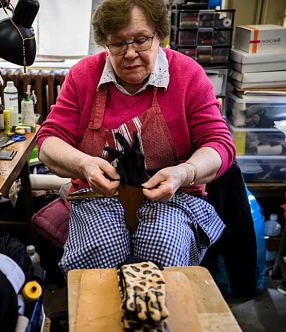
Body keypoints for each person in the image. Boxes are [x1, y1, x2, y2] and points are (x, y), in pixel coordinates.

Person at [36, 0, 235, 275]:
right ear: (105, 42)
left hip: (173, 197)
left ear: (159, 35)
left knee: (164, 251)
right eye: (117, 44)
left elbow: (219, 144)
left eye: (141, 40)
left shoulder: (188, 75)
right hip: (97, 196)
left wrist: (184, 172)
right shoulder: (83, 76)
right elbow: (48, 141)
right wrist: (85, 165)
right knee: (98, 253)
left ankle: (157, 317)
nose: (130, 54)